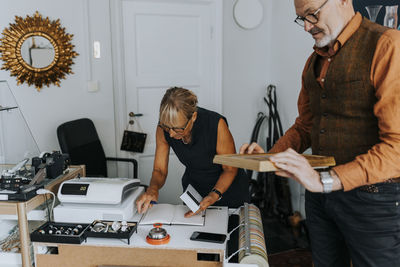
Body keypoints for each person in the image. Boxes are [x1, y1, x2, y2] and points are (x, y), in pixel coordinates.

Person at [240, 0, 400, 266]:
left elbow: (396, 147)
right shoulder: (314, 62)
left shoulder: (387, 45)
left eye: (312, 14)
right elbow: (307, 125)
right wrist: (269, 157)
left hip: (374, 200)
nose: (306, 26)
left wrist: (325, 181)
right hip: (321, 197)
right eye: (301, 18)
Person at [137, 87, 249, 217]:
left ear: (193, 117)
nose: (172, 134)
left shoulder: (216, 124)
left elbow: (229, 169)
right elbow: (160, 170)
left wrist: (214, 195)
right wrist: (153, 189)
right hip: (195, 190)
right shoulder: (163, 128)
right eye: (168, 128)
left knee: (229, 232)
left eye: (178, 129)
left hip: (228, 190)